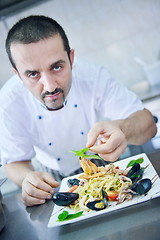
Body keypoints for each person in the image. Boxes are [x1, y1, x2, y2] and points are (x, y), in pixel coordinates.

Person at [0, 15, 157, 206]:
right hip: (50, 178)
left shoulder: (92, 75)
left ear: (71, 58)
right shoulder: (8, 102)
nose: (49, 87)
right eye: (33, 74)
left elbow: (148, 124)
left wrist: (122, 129)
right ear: (18, 74)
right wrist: (28, 179)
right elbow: (15, 162)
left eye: (57, 67)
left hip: (101, 164)